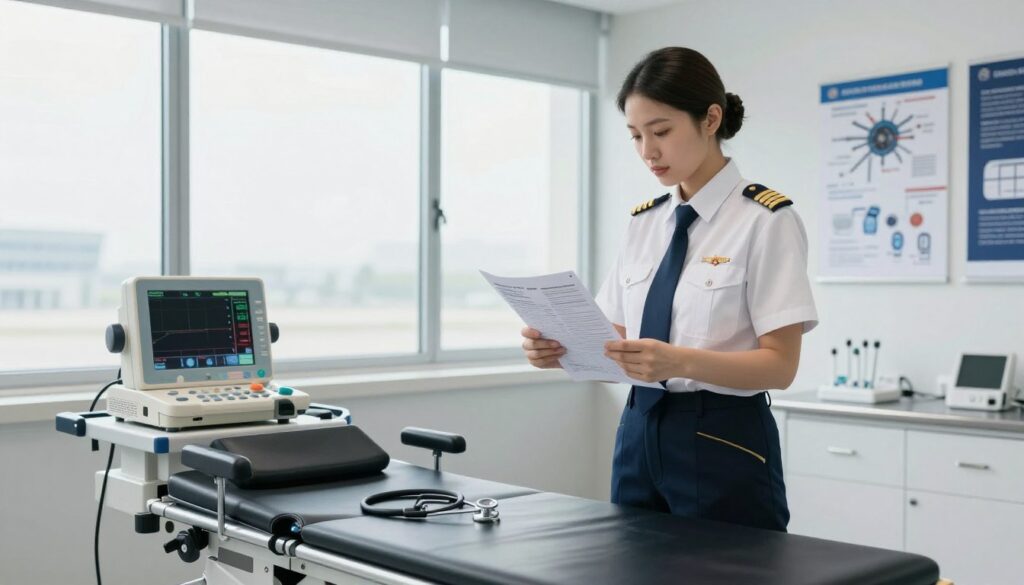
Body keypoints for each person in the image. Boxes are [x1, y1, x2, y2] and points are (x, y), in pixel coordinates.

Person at [520, 47, 817, 532]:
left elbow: (780, 366)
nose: (647, 151)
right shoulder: (644, 223)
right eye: (636, 136)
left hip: (723, 435)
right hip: (638, 428)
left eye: (660, 132)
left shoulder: (766, 221)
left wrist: (678, 361)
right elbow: (613, 337)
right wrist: (558, 347)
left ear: (710, 119)